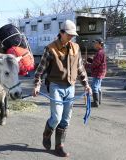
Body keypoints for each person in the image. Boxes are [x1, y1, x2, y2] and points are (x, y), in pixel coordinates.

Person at [32, 20, 92, 157]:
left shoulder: (76, 47)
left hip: (71, 87)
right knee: (56, 117)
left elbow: (80, 68)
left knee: (66, 119)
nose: (71, 37)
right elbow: (40, 70)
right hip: (56, 86)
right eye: (69, 34)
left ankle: (59, 146)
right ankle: (46, 135)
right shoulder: (50, 48)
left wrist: (86, 85)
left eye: (73, 35)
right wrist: (37, 84)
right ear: (61, 33)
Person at [86, 38, 107, 107]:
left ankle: (96, 102)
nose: (94, 44)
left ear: (99, 44)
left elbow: (96, 64)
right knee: (98, 87)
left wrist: (87, 65)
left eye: (95, 43)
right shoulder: (101, 52)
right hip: (100, 72)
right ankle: (98, 101)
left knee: (94, 86)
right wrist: (91, 60)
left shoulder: (100, 53)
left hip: (98, 72)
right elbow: (97, 62)